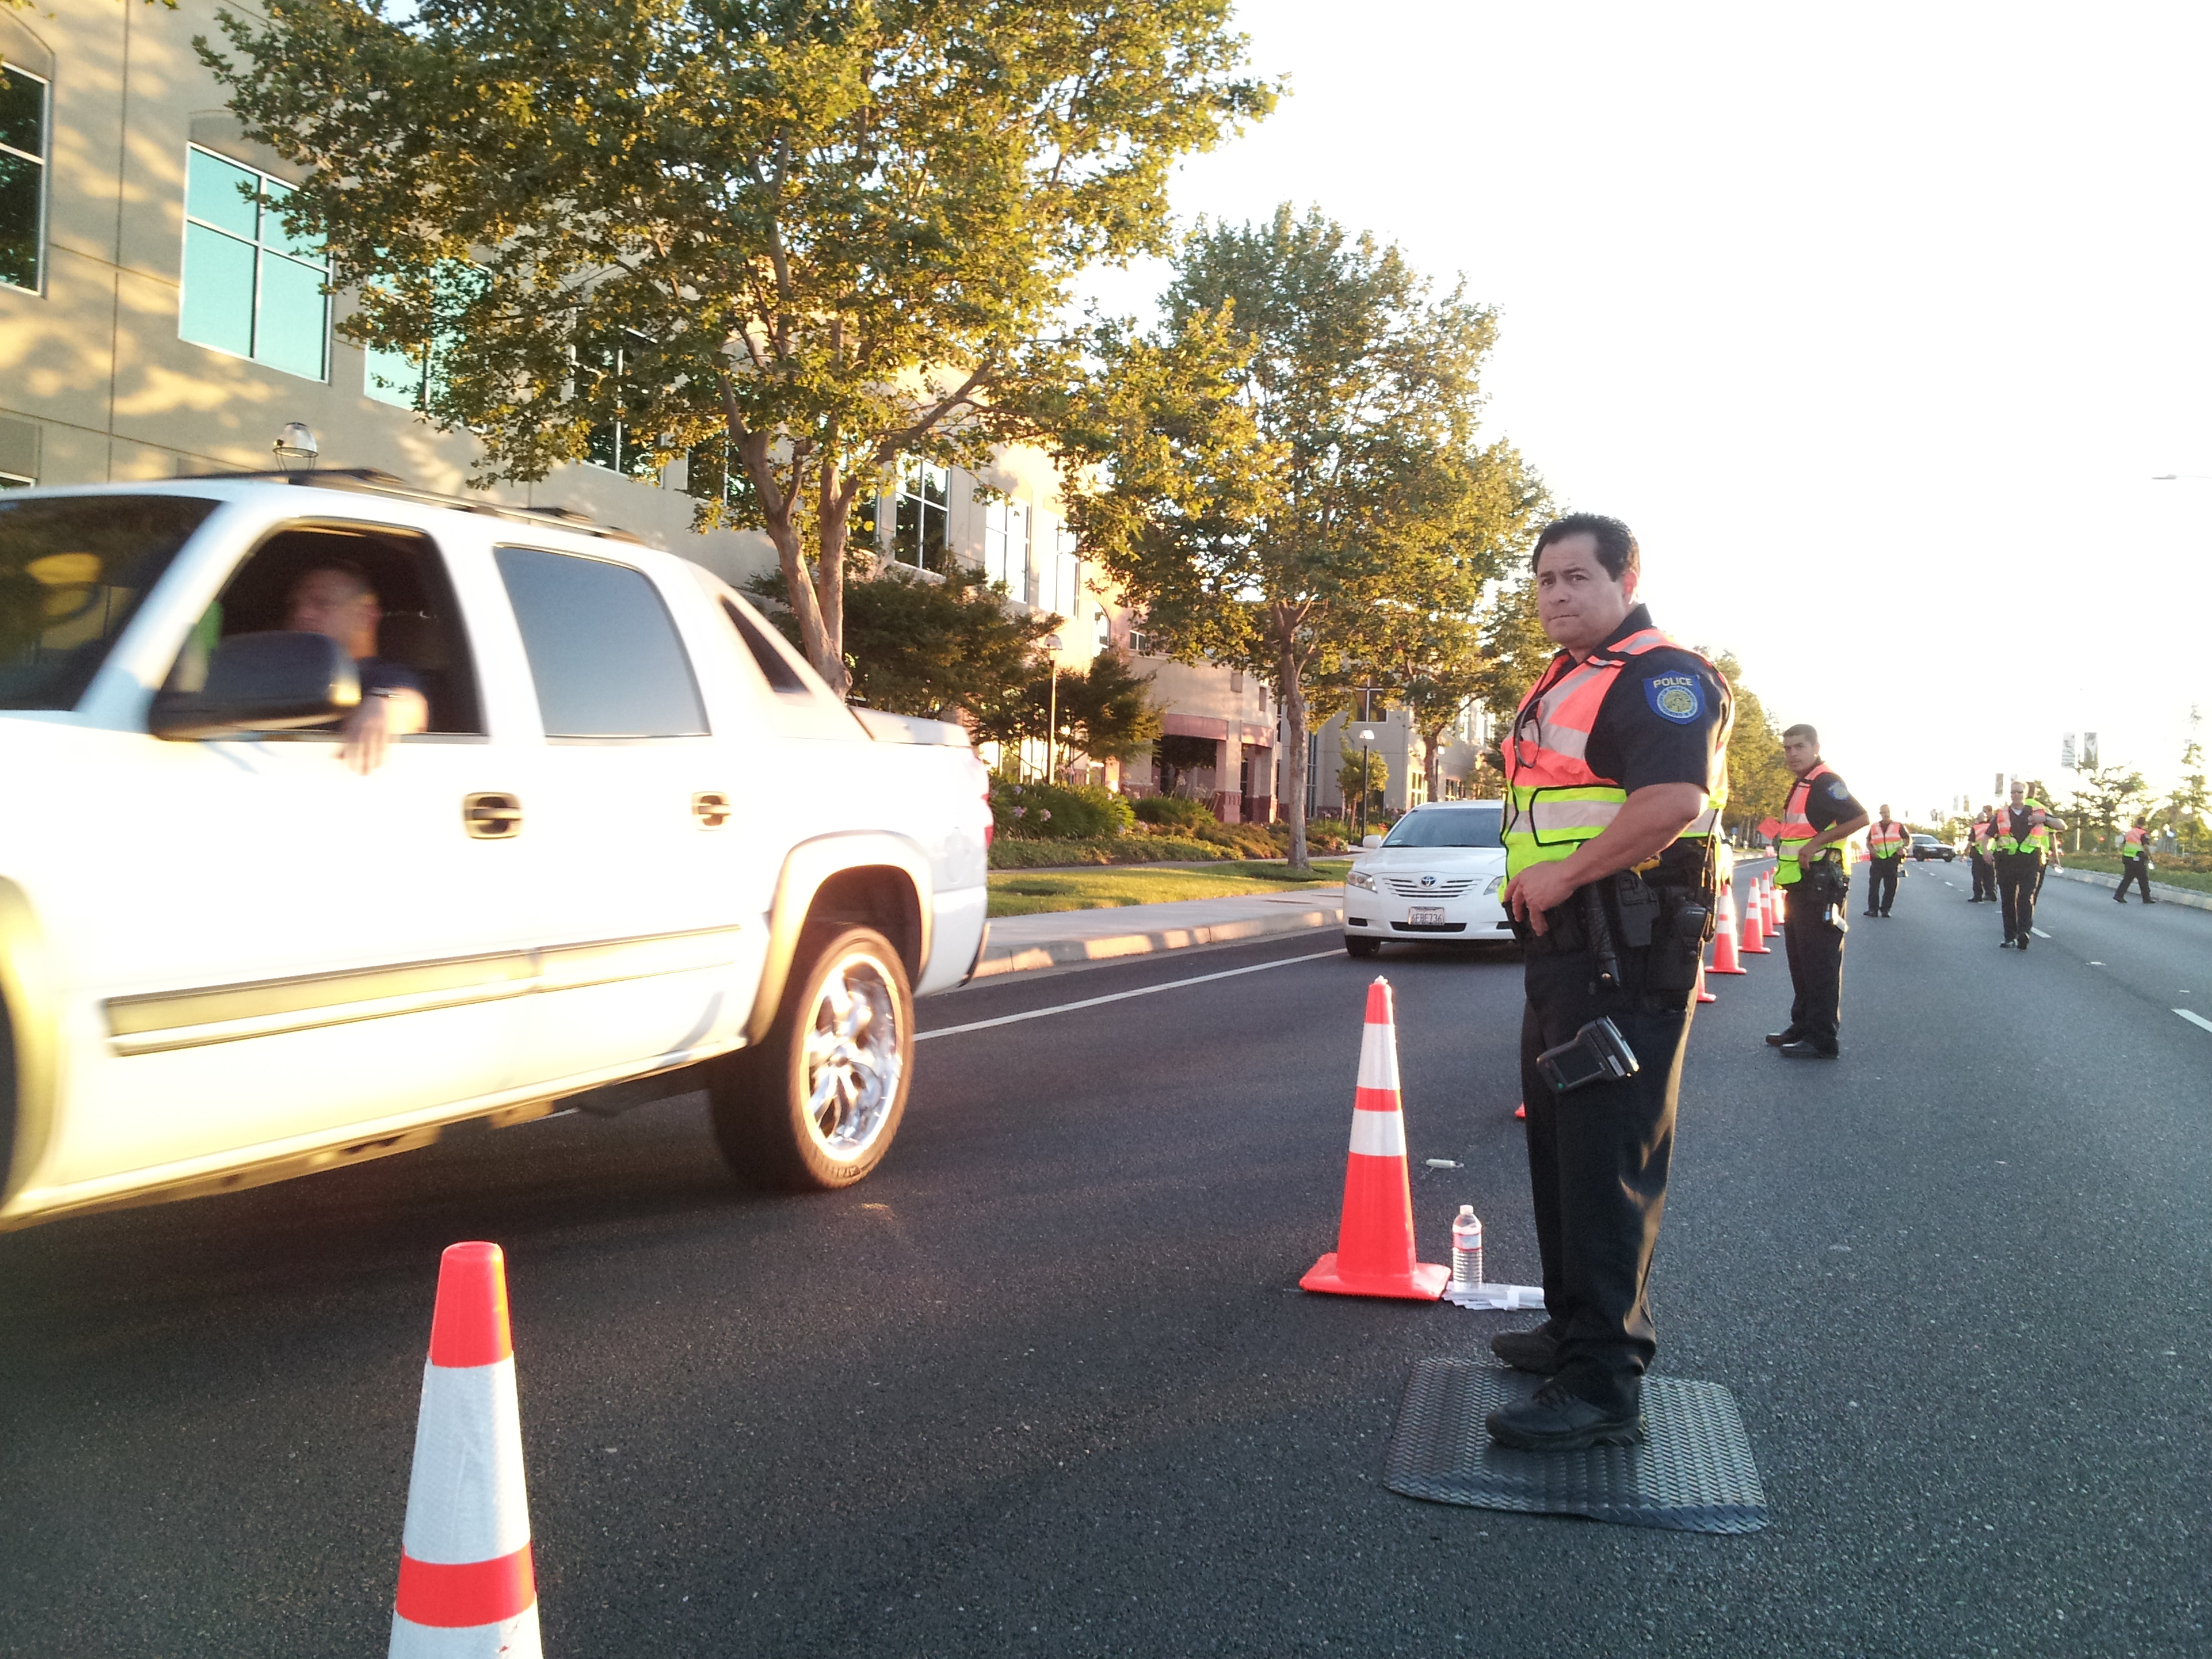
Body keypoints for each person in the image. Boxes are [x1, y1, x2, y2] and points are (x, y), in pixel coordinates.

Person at [1488, 513, 1733, 1454]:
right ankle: (1570, 1330)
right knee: (1560, 1147)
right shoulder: (1570, 676)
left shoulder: (1660, 675)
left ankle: (1603, 1381)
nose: (1556, 595)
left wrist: (1565, 874)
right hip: (1569, 952)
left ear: (1627, 577)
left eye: (1577, 577)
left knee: (1606, 1158)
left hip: (1621, 956)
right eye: (1545, 580)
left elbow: (1672, 802)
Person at [1767, 725, 1868, 1059]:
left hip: (1821, 885)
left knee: (1820, 961)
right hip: (1801, 883)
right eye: (1787, 748)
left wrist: (1815, 844)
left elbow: (1859, 817)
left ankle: (1822, 1037)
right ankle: (1803, 1025)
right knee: (1801, 959)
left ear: (1815, 747)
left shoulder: (1826, 781)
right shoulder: (1804, 782)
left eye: (1799, 747)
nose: (1792, 754)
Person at [285, 560, 428, 775]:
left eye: (321, 603)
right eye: (295, 605)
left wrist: (380, 706)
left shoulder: (384, 674)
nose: (302, 613)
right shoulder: (280, 673)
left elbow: (408, 704)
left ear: (367, 614)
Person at [1982, 780, 2066, 948]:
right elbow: (1988, 835)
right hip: (2007, 861)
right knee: (2008, 899)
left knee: (2025, 898)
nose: (2016, 795)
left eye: (2019, 792)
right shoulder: (2002, 813)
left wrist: (2043, 819)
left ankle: (2024, 933)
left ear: (2025, 794)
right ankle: (2009, 936)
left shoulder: (2036, 812)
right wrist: (1986, 851)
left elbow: (2061, 826)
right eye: (2013, 792)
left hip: (2031, 861)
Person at [1863, 806, 1907, 917]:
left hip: (1892, 859)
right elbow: (1868, 840)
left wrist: (1904, 848)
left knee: (1891, 886)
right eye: (1883, 812)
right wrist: (1871, 849)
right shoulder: (1874, 826)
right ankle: (1873, 910)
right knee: (1874, 885)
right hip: (1877, 860)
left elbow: (1908, 839)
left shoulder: (1898, 825)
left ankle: (1885, 910)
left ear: (1890, 812)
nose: (1886, 814)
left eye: (1887, 812)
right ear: (1880, 814)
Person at [2116, 815, 2156, 903]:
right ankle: (2146, 898)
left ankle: (2119, 895)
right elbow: (2145, 847)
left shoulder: (2129, 832)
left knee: (2128, 878)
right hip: (2138, 858)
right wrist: (2151, 858)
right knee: (2143, 879)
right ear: (2144, 824)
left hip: (2127, 858)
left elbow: (2124, 844)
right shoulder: (2143, 834)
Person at [1967, 804, 1998, 902]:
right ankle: (1991, 894)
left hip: (1978, 854)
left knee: (1977, 875)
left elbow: (1971, 842)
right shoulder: (1991, 826)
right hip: (1990, 853)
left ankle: (1978, 895)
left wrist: (1965, 852)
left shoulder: (1976, 828)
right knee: (1989, 875)